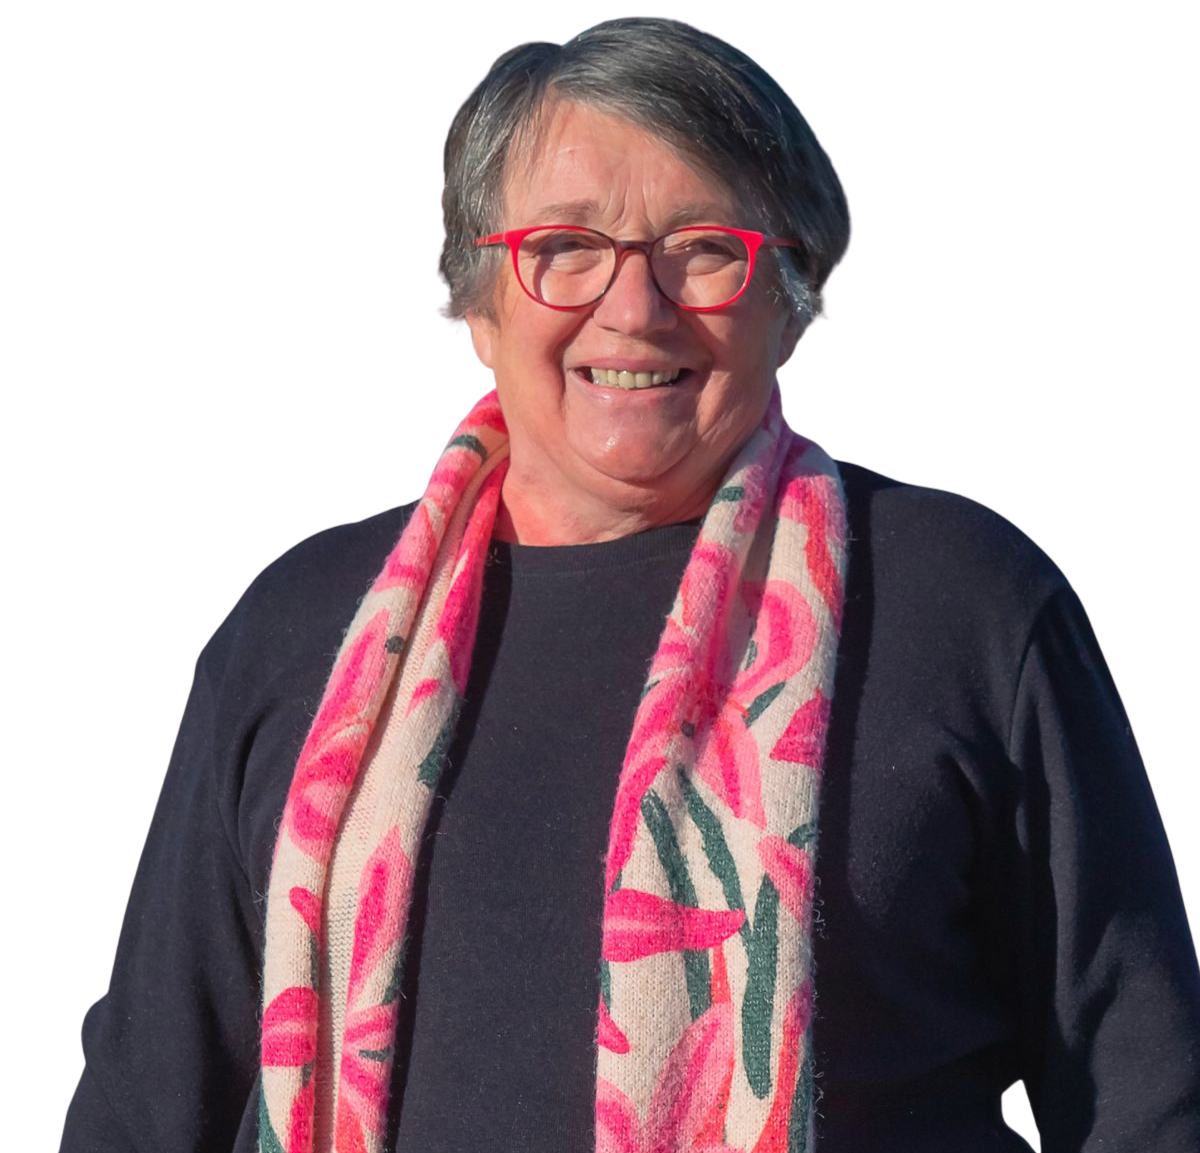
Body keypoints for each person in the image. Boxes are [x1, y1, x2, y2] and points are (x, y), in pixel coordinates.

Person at [62, 17, 1198, 1153]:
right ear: (476, 303)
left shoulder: (966, 604)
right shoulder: (298, 626)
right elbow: (145, 1100)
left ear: (790, 296)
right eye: (566, 245)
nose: (636, 306)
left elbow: (1144, 1078)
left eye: (703, 248)